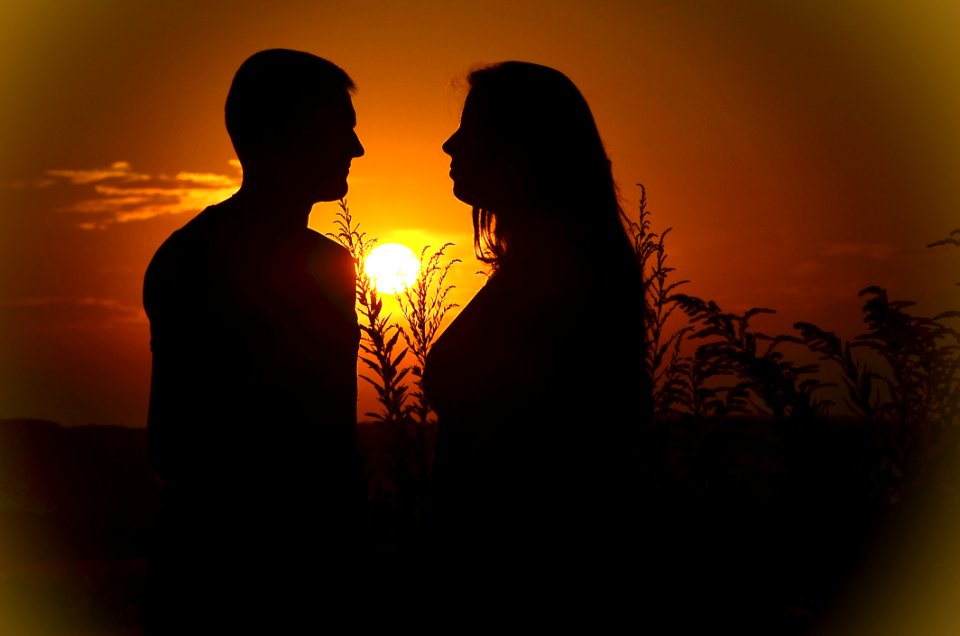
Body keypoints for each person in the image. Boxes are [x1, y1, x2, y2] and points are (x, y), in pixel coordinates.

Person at [142, 49, 365, 634]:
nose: (356, 149)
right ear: (294, 133)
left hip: (207, 568)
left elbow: (171, 443)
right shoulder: (320, 268)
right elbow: (327, 449)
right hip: (264, 580)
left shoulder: (184, 254)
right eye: (343, 129)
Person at [422, 61, 650, 623]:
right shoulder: (556, 264)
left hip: (527, 586)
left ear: (521, 148)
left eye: (470, 130)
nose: (450, 144)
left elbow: (537, 469)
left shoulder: (563, 273)